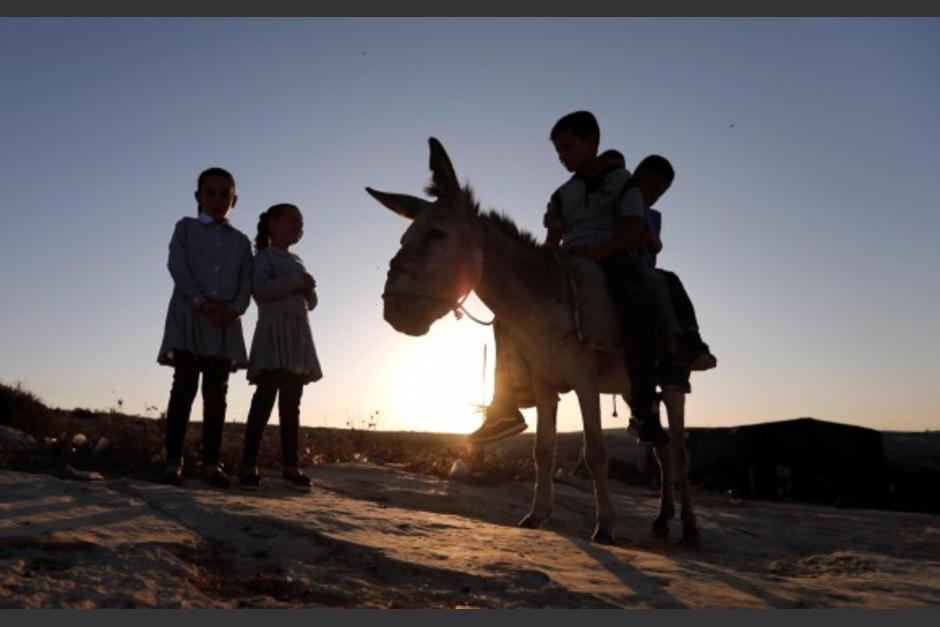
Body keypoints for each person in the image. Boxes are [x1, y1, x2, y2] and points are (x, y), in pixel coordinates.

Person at [469, 111, 666, 445]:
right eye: (558, 151)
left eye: (568, 147)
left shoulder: (623, 182)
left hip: (612, 254)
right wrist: (545, 251)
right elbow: (553, 239)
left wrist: (602, 252)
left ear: (592, 141)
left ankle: (644, 405)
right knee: (510, 309)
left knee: (636, 302)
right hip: (567, 258)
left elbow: (634, 227)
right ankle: (505, 406)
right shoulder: (562, 195)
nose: (562, 157)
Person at [157, 167, 253, 488]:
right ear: (198, 196)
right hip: (189, 317)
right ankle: (174, 461)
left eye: (224, 194)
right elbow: (177, 266)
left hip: (224, 324)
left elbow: (246, 282)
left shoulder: (241, 242)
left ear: (234, 200)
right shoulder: (184, 228)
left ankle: (212, 464)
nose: (217, 199)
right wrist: (200, 302)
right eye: (210, 193)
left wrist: (233, 310)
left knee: (217, 393)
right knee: (183, 388)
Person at [239, 204, 323, 492]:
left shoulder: (298, 261)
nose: (299, 227)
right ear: (272, 224)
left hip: (297, 337)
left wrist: (308, 287)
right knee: (264, 399)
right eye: (293, 221)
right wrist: (296, 282)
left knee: (292, 404)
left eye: (302, 223)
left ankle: (291, 465)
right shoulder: (263, 258)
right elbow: (261, 291)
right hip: (273, 334)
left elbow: (310, 304)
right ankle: (248, 463)